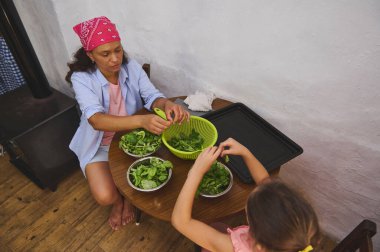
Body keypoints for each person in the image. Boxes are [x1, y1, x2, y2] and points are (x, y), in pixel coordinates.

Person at [66, 16, 190, 231]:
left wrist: (166, 103)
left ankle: (126, 196)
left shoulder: (130, 66)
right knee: (105, 196)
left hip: (135, 139)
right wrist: (142, 120)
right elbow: (96, 120)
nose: (115, 59)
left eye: (118, 50)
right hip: (100, 144)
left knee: (156, 180)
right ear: (90, 55)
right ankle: (118, 203)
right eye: (105, 54)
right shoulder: (81, 78)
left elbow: (152, 96)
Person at [172, 138, 321, 252]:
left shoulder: (232, 247)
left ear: (259, 245)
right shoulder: (294, 241)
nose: (260, 186)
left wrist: (196, 172)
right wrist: (245, 152)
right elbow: (265, 183)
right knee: (217, 226)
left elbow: (181, 221)